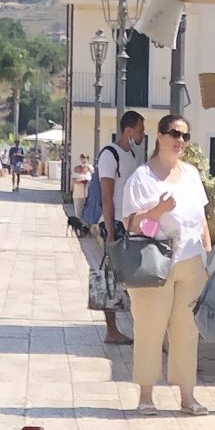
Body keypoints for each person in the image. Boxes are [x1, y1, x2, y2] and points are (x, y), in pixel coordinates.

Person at [118, 113, 211, 414]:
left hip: (191, 261)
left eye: (185, 135)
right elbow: (130, 223)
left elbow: (202, 220)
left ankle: (188, 397)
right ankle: (146, 397)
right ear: (159, 136)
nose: (180, 140)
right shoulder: (142, 178)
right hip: (154, 261)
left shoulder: (191, 175)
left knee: (187, 331)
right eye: (174, 133)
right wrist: (157, 211)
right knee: (150, 329)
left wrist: (208, 254)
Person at [92, 111, 145, 346]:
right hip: (114, 223)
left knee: (127, 277)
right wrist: (111, 233)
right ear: (128, 131)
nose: (142, 134)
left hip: (128, 224)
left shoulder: (131, 155)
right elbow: (107, 196)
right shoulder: (110, 155)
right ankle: (112, 330)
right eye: (140, 130)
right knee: (110, 277)